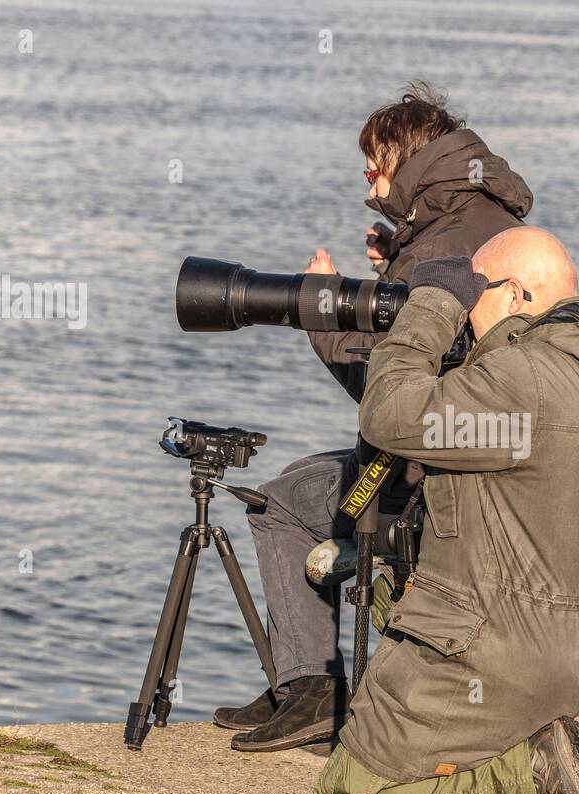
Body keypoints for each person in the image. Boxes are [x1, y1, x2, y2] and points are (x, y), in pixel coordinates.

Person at [311, 227, 579, 794]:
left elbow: (389, 413)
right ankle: (525, 745)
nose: (467, 317)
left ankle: (526, 773)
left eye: (475, 294)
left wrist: (430, 304)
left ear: (517, 293)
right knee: (398, 591)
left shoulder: (520, 379)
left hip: (497, 655)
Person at [214, 82, 534, 752]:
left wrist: (318, 311)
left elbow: (386, 396)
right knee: (307, 486)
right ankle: (305, 686)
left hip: (423, 476)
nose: (365, 170)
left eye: (373, 157)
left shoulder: (437, 245)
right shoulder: (486, 222)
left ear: (404, 158)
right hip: (494, 461)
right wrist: (394, 266)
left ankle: (311, 691)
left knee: (279, 504)